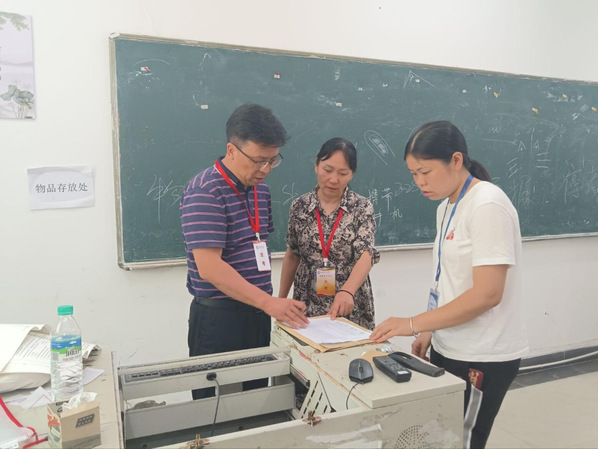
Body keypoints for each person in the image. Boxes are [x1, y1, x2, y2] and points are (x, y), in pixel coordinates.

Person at [370, 121, 528, 449]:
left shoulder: (487, 204)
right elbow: (446, 280)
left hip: (483, 353)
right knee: (442, 439)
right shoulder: (446, 206)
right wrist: (430, 330)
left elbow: (488, 294)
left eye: (425, 171)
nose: (419, 182)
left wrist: (413, 323)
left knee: (464, 440)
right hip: (450, 345)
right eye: (413, 174)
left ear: (456, 160)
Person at [180, 104, 309, 399]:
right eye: (259, 161)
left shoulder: (260, 191)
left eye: (272, 161)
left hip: (256, 313)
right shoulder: (205, 191)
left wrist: (268, 303)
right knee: (216, 406)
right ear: (232, 149)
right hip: (219, 319)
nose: (265, 170)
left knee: (255, 400)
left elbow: (256, 246)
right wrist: (268, 302)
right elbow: (209, 267)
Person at [278, 137, 380, 330]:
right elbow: (292, 255)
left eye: (343, 173)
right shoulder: (300, 206)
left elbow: (367, 254)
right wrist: (280, 301)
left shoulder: (361, 207)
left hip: (348, 301)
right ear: (316, 165)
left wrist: (347, 291)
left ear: (352, 174)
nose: (334, 179)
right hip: (307, 301)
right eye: (328, 170)